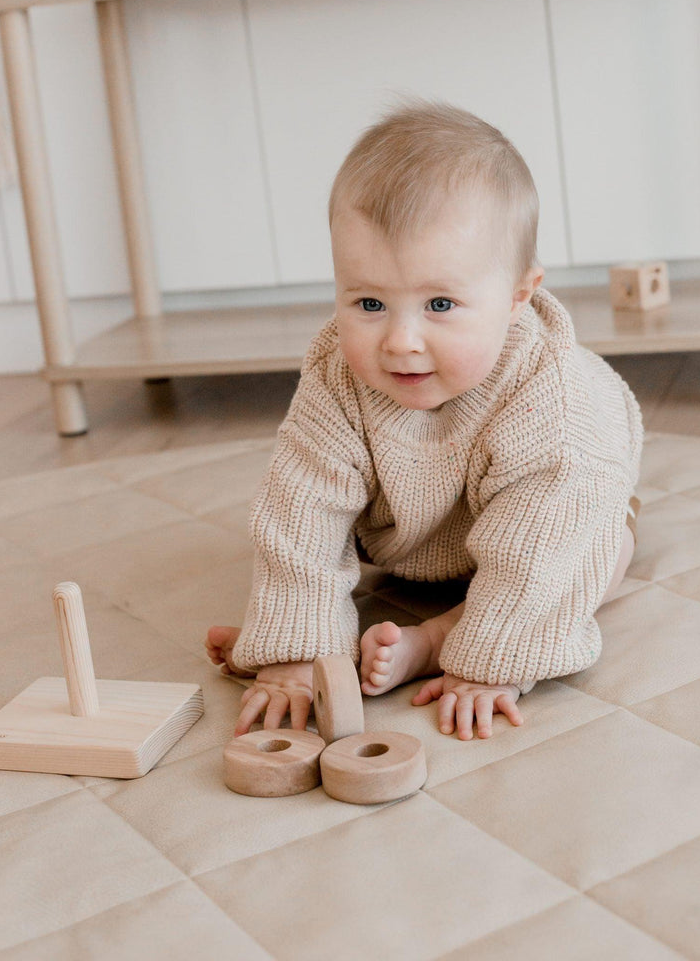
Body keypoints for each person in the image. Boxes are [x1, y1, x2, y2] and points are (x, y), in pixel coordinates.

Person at [206, 100, 643, 741]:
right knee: (301, 521)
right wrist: (297, 649)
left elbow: (545, 546)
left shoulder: (555, 403)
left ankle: (439, 640)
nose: (401, 341)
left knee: (602, 551)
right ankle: (314, 636)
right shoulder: (338, 373)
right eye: (370, 303)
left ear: (517, 295)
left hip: (554, 516)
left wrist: (492, 664)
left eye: (440, 304)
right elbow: (300, 507)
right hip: (409, 532)